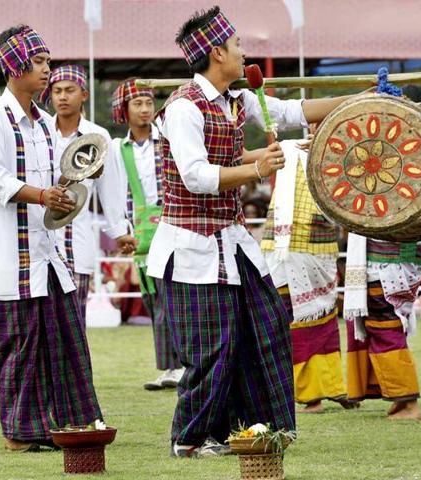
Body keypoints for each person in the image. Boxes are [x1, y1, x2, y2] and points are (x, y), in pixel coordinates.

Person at [146, 6, 352, 457]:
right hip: (190, 250)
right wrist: (257, 165)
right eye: (237, 45)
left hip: (232, 243)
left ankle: (240, 427)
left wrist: (359, 100)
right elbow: (196, 176)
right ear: (217, 52)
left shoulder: (238, 99)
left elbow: (293, 110)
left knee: (267, 325)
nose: (244, 52)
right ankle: (189, 439)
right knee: (212, 348)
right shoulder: (183, 107)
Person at [0, 25, 102, 452]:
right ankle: (19, 435)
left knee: (64, 343)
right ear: (17, 66)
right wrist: (44, 194)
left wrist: (74, 181)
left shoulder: (45, 124)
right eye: (41, 63)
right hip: (9, 256)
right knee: (18, 349)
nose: (47, 70)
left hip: (48, 255)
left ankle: (65, 424)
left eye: (47, 61)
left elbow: (54, 182)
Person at [344, 85, 421, 421]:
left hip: (391, 256)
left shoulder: (418, 155)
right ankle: (398, 397)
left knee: (384, 323)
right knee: (384, 321)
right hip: (401, 254)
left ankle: (409, 403)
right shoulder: (420, 154)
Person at [261, 132, 352, 413]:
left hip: (319, 248)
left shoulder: (343, 154)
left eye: (322, 122)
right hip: (280, 246)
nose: (314, 127)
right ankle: (304, 392)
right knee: (288, 320)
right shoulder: (285, 149)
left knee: (321, 318)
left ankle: (325, 388)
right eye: (311, 121)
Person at [109, 78, 183, 390]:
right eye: (136, 104)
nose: (144, 109)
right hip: (139, 229)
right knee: (152, 297)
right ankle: (168, 367)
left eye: (148, 103)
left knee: (173, 295)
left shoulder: (166, 139)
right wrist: (120, 228)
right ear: (124, 111)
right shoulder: (117, 148)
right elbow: (114, 190)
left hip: (170, 222)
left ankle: (182, 365)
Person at [40, 64, 130, 319]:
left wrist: (119, 232)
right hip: (40, 242)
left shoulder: (97, 136)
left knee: (74, 323)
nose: (62, 96)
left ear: (84, 95)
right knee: (43, 322)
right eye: (56, 91)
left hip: (76, 242)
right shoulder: (40, 131)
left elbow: (110, 188)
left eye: (69, 90)